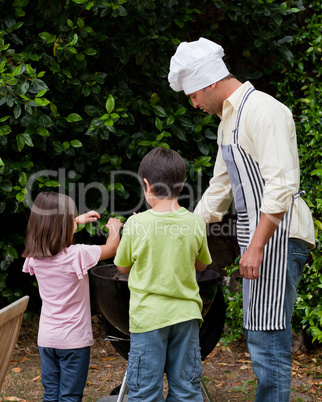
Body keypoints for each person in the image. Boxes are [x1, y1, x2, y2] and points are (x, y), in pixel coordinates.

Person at [168, 37, 315, 402]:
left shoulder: (263, 110)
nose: (194, 104)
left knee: (268, 340)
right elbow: (220, 189)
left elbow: (281, 185)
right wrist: (176, 229)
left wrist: (256, 246)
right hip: (261, 240)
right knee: (260, 334)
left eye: (194, 95)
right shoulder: (227, 123)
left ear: (211, 82)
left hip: (277, 238)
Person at [114, 147, 212, 401]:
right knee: (186, 390)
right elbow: (202, 266)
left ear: (146, 185)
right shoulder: (195, 223)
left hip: (148, 318)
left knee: (145, 391)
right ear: (181, 186)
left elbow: (122, 267)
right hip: (186, 317)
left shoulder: (136, 224)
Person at [22, 191, 123, 402]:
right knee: (70, 396)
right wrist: (114, 228)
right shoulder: (77, 254)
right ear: (63, 226)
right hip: (73, 342)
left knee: (50, 395)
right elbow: (112, 248)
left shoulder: (33, 255)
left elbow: (50, 226)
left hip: (47, 339)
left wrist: (76, 220)